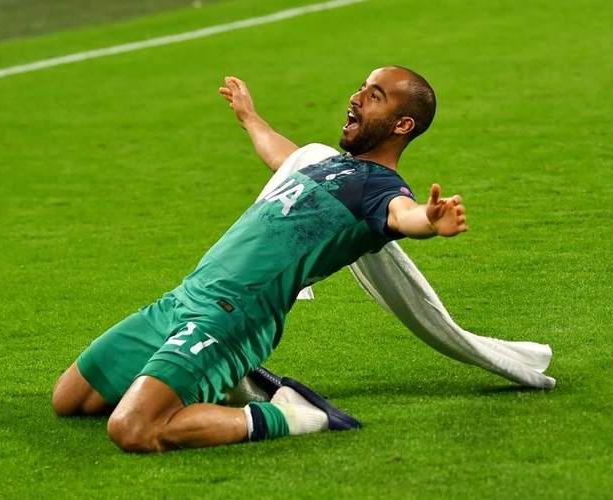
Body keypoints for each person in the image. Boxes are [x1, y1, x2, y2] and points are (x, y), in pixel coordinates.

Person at [51, 66, 469, 453]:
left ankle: (292, 414)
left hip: (231, 316)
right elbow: (281, 156)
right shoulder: (328, 166)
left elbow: (402, 214)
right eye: (362, 87)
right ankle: (229, 381)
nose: (356, 97)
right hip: (185, 299)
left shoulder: (381, 189)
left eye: (374, 96)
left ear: (402, 125)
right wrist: (250, 118)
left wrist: (429, 221)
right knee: (71, 399)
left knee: (133, 428)